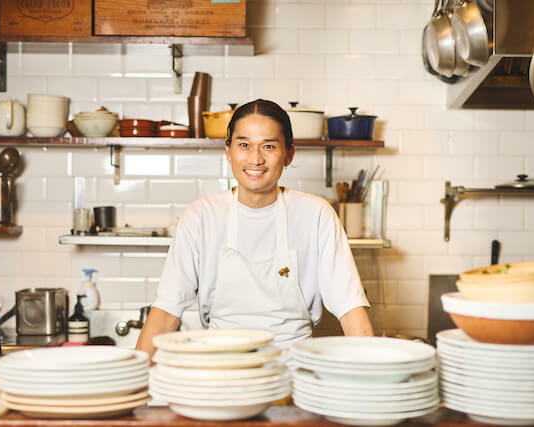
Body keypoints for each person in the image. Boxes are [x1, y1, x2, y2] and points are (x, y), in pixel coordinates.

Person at [136, 99, 373, 357]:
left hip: (293, 372)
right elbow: (166, 312)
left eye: (268, 146)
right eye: (244, 145)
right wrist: (131, 382)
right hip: (220, 370)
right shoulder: (201, 217)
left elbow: (351, 309)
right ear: (228, 151)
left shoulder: (316, 215)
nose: (256, 159)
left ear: (289, 154)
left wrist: (376, 381)